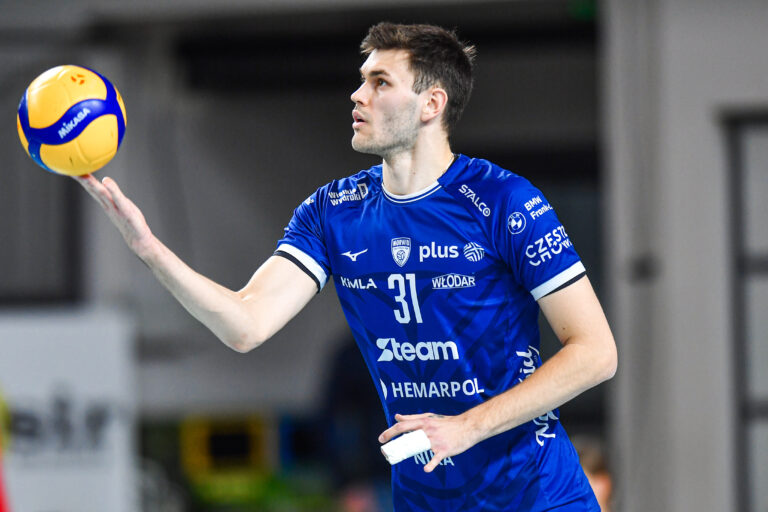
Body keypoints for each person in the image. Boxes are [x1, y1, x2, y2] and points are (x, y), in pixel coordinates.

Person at [77, 22, 617, 512]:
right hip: (427, 499)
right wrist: (149, 249)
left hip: (538, 496)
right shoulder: (332, 211)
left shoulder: (503, 200)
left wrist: (467, 427)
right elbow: (245, 324)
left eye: (380, 82)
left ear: (431, 104)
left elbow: (596, 353)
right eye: (362, 81)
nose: (358, 95)